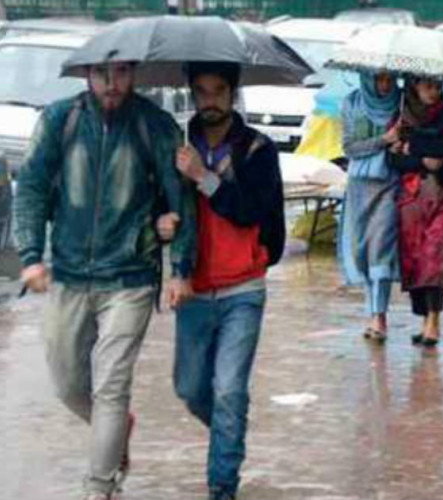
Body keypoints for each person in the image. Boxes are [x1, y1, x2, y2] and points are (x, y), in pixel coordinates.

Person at [13, 61, 196, 500]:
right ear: (86, 76)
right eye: (101, 74)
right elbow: (33, 188)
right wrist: (31, 256)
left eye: (120, 73)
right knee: (68, 385)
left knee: (112, 386)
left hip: (131, 275)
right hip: (70, 273)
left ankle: (100, 488)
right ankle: (115, 436)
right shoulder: (61, 120)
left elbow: (180, 199)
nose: (111, 84)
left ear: (133, 74)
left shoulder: (155, 125)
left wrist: (180, 269)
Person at [157, 61, 284, 500]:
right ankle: (230, 435)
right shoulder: (177, 146)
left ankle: (221, 485)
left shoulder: (257, 149)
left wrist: (203, 179)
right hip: (192, 288)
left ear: (233, 94)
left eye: (218, 91)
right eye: (202, 91)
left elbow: (251, 209)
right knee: (191, 389)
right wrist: (162, 223)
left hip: (243, 288)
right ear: (192, 94)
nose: (210, 100)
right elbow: (156, 203)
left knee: (229, 390)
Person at [387, 77, 443, 349]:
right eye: (428, 86)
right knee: (414, 258)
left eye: (438, 86)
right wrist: (419, 156)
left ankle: (434, 322)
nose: (434, 92)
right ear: (414, 87)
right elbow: (393, 159)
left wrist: (411, 144)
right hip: (412, 196)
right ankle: (423, 320)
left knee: (436, 256)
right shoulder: (401, 114)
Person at [338, 72, 402, 343]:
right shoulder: (351, 103)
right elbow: (349, 147)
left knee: (381, 249)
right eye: (379, 80)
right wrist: (383, 140)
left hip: (389, 183)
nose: (384, 86)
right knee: (361, 248)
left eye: (389, 80)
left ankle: (380, 315)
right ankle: (371, 311)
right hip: (358, 187)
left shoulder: (402, 102)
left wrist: (401, 144)